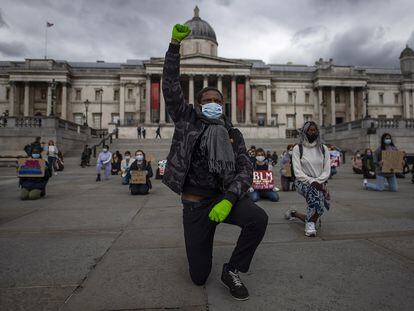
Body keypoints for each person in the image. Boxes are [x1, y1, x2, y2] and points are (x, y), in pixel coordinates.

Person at [161, 24, 268, 301]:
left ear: (224, 104)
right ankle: (203, 246)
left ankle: (232, 269)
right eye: (206, 100)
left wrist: (230, 198)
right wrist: (175, 46)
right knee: (198, 277)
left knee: (258, 219)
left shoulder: (233, 133)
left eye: (216, 100)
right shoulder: (187, 121)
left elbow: (246, 169)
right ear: (198, 104)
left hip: (223, 200)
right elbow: (171, 87)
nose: (211, 103)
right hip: (196, 204)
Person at [285, 121, 330, 237]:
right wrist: (311, 181)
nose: (313, 132)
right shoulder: (297, 148)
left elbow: (327, 170)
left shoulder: (324, 149)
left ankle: (294, 214)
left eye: (315, 130)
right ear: (305, 131)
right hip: (302, 182)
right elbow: (297, 171)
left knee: (318, 208)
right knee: (315, 196)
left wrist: (318, 181)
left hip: (320, 182)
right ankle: (310, 224)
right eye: (310, 130)